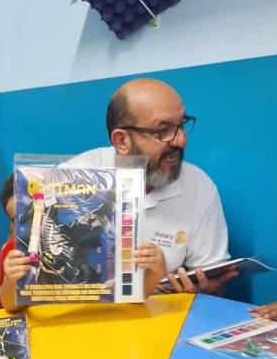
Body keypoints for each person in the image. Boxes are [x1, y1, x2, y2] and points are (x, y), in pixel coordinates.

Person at [68, 78, 238, 295]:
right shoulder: (73, 180)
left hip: (165, 311)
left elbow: (214, 281)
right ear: (122, 141)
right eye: (163, 131)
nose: (181, 141)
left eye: (181, 126)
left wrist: (203, 291)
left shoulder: (198, 185)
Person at [0, 176, 166, 313]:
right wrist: (11, 279)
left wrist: (157, 270)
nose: (34, 222)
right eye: (21, 218)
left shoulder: (91, 237)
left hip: (105, 323)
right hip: (53, 330)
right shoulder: (23, 258)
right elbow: (9, 305)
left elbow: (138, 294)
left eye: (38, 211)